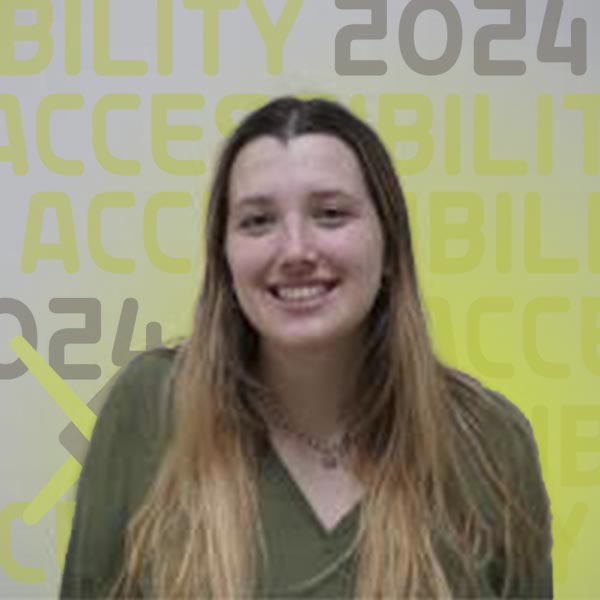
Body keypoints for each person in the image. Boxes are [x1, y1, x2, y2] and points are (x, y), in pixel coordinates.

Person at [60, 97, 553, 598]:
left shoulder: (490, 441)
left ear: (389, 247)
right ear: (224, 258)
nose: (295, 250)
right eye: (258, 221)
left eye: (331, 214)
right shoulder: (152, 407)